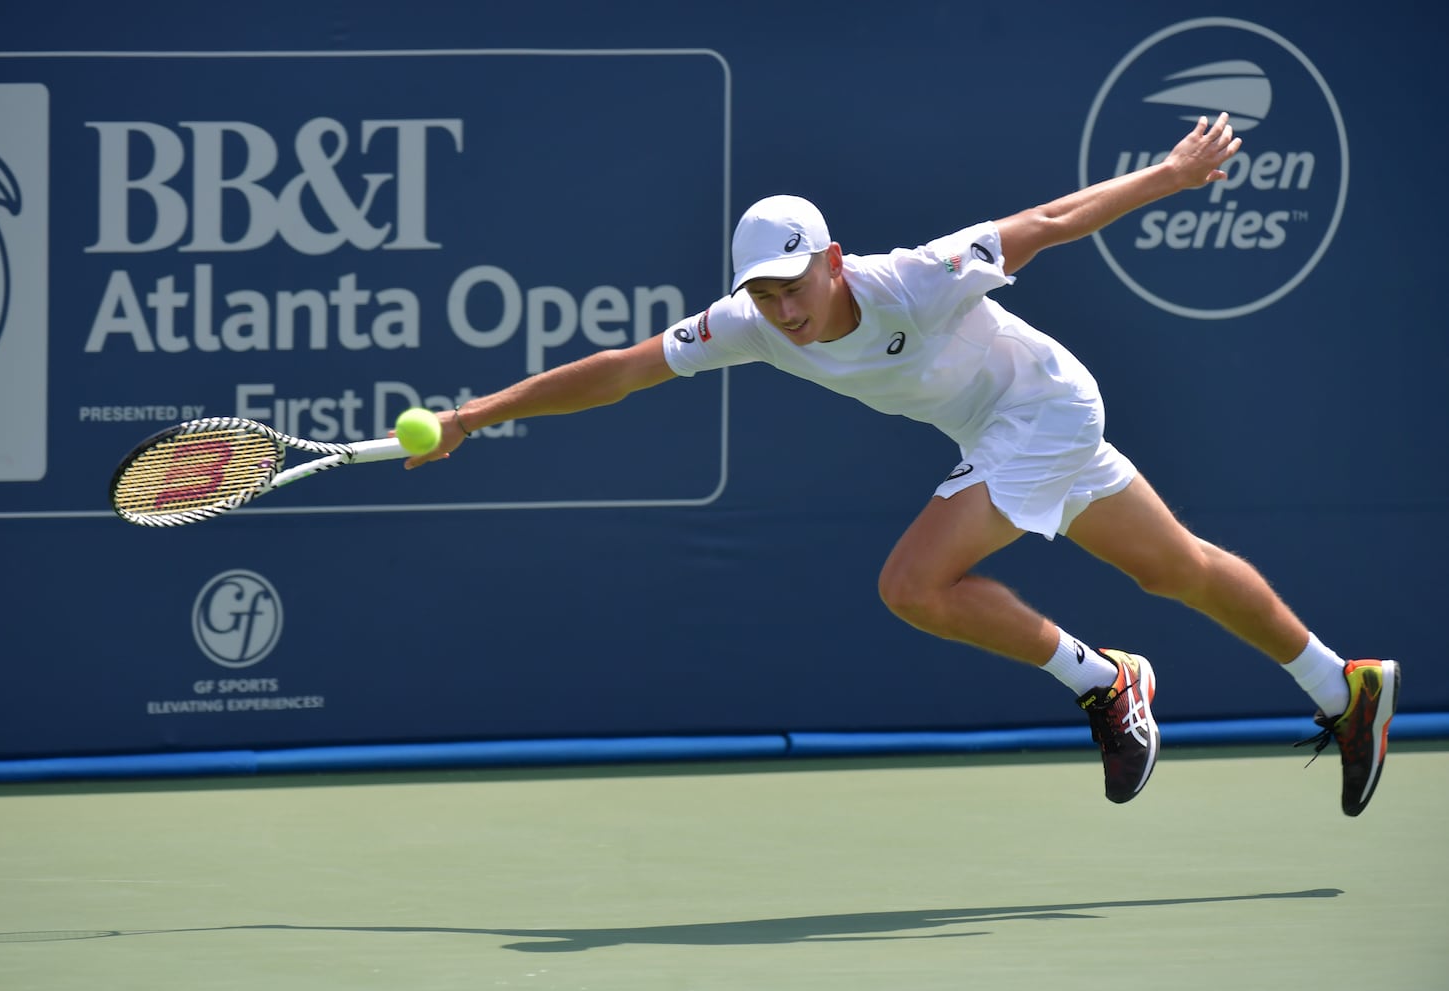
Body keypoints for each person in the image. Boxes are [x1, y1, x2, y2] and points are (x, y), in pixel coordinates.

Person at [403, 113, 1399, 816]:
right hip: (1003, 431)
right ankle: (1339, 684)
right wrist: (475, 416)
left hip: (1042, 409)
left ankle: (1105, 683)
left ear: (832, 260)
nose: (784, 309)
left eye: (794, 284)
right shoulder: (755, 324)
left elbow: (1047, 224)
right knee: (1170, 566)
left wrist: (1171, 176)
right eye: (765, 291)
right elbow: (621, 371)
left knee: (912, 584)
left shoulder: (916, 278)